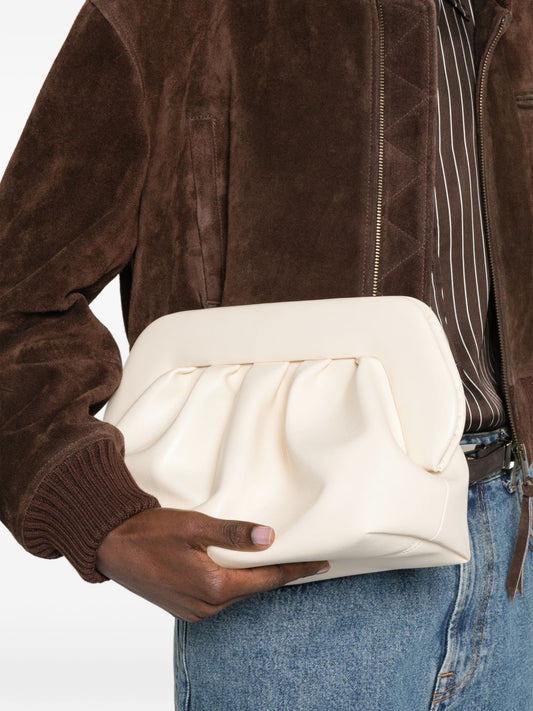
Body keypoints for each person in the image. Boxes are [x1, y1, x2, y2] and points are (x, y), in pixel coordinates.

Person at [1, 0, 532, 709]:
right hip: (292, 571)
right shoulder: (175, 15)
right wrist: (97, 515)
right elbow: (16, 299)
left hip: (517, 555)